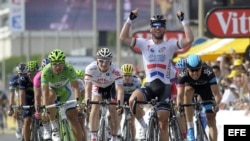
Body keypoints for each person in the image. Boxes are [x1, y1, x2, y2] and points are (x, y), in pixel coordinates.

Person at [120, 8, 194, 141]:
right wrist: (130, 19)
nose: (157, 28)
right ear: (150, 29)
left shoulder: (170, 45)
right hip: (149, 85)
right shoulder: (144, 43)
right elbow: (123, 37)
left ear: (164, 29)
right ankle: (144, 126)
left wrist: (184, 21)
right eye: (154, 26)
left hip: (164, 88)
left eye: (160, 26)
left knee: (163, 125)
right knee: (132, 101)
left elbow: (189, 39)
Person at [41, 49, 85, 141]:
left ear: (64, 62)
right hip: (52, 91)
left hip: (66, 91)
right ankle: (54, 127)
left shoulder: (69, 68)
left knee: (73, 116)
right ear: (51, 64)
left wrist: (78, 103)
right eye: (55, 64)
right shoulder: (46, 71)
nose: (58, 67)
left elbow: (75, 87)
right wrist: (45, 107)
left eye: (60, 63)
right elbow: (44, 92)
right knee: (50, 95)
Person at [176, 54, 221, 141]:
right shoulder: (183, 74)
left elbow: (216, 94)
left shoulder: (208, 72)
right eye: (192, 70)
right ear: (187, 69)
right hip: (191, 87)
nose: (195, 73)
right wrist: (179, 106)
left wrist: (216, 104)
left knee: (211, 118)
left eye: (197, 69)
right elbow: (180, 95)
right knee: (187, 90)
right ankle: (190, 128)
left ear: (201, 67)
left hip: (206, 89)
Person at [84, 48, 124, 141]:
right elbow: (88, 88)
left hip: (111, 87)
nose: (104, 64)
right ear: (97, 61)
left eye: (107, 61)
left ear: (111, 62)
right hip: (97, 86)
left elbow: (120, 90)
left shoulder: (116, 70)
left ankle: (114, 136)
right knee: (95, 104)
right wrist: (87, 101)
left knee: (113, 110)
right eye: (101, 61)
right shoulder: (90, 68)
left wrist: (120, 105)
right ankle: (93, 135)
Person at [19, 60, 40, 141]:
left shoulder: (41, 77)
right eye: (30, 74)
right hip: (27, 98)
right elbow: (22, 93)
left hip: (38, 97)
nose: (32, 76)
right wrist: (21, 105)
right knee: (27, 120)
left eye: (34, 73)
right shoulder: (23, 79)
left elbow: (43, 93)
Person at [120, 63, 141, 140]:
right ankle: (118, 131)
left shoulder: (137, 81)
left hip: (133, 98)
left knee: (132, 122)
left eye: (129, 75)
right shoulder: (119, 80)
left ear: (133, 75)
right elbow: (116, 93)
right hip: (123, 97)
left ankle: (132, 138)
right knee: (117, 113)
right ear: (122, 75)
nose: (127, 78)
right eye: (125, 75)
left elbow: (140, 93)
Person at [7, 62, 27, 140]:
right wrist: (10, 107)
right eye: (20, 73)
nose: (22, 75)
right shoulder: (14, 79)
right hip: (17, 95)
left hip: (27, 94)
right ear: (17, 73)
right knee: (17, 104)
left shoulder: (29, 78)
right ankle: (19, 125)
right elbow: (11, 94)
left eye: (24, 74)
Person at [33, 58, 51, 140]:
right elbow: (37, 96)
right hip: (42, 94)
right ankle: (46, 128)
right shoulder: (37, 77)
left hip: (55, 92)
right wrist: (37, 111)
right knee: (43, 103)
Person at [75, 69, 87, 141]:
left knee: (81, 124)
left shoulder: (82, 84)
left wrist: (82, 105)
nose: (79, 80)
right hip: (72, 104)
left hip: (80, 105)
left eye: (80, 78)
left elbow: (85, 96)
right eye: (77, 77)